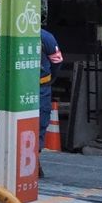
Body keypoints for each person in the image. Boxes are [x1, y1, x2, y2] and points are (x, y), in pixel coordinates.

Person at [38, 27, 63, 177]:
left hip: (39, 87)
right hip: (41, 87)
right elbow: (56, 63)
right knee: (39, 122)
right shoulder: (46, 37)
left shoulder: (45, 37)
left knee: (40, 123)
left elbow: (56, 61)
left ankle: (34, 160)